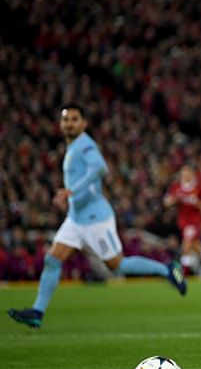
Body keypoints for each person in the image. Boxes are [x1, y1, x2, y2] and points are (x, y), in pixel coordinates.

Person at [8, 104, 187, 329]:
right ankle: (37, 312)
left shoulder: (85, 145)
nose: (69, 123)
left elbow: (100, 168)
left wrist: (71, 191)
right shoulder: (73, 147)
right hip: (75, 219)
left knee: (117, 266)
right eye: (65, 119)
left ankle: (168, 270)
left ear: (83, 123)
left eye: (74, 119)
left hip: (95, 219)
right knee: (52, 260)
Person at [164, 165, 201, 274]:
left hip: (195, 221)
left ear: (192, 174)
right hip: (182, 221)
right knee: (197, 247)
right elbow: (166, 203)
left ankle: (184, 273)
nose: (185, 175)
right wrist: (175, 199)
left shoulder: (199, 188)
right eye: (183, 173)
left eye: (188, 173)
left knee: (187, 244)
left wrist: (197, 203)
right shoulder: (176, 187)